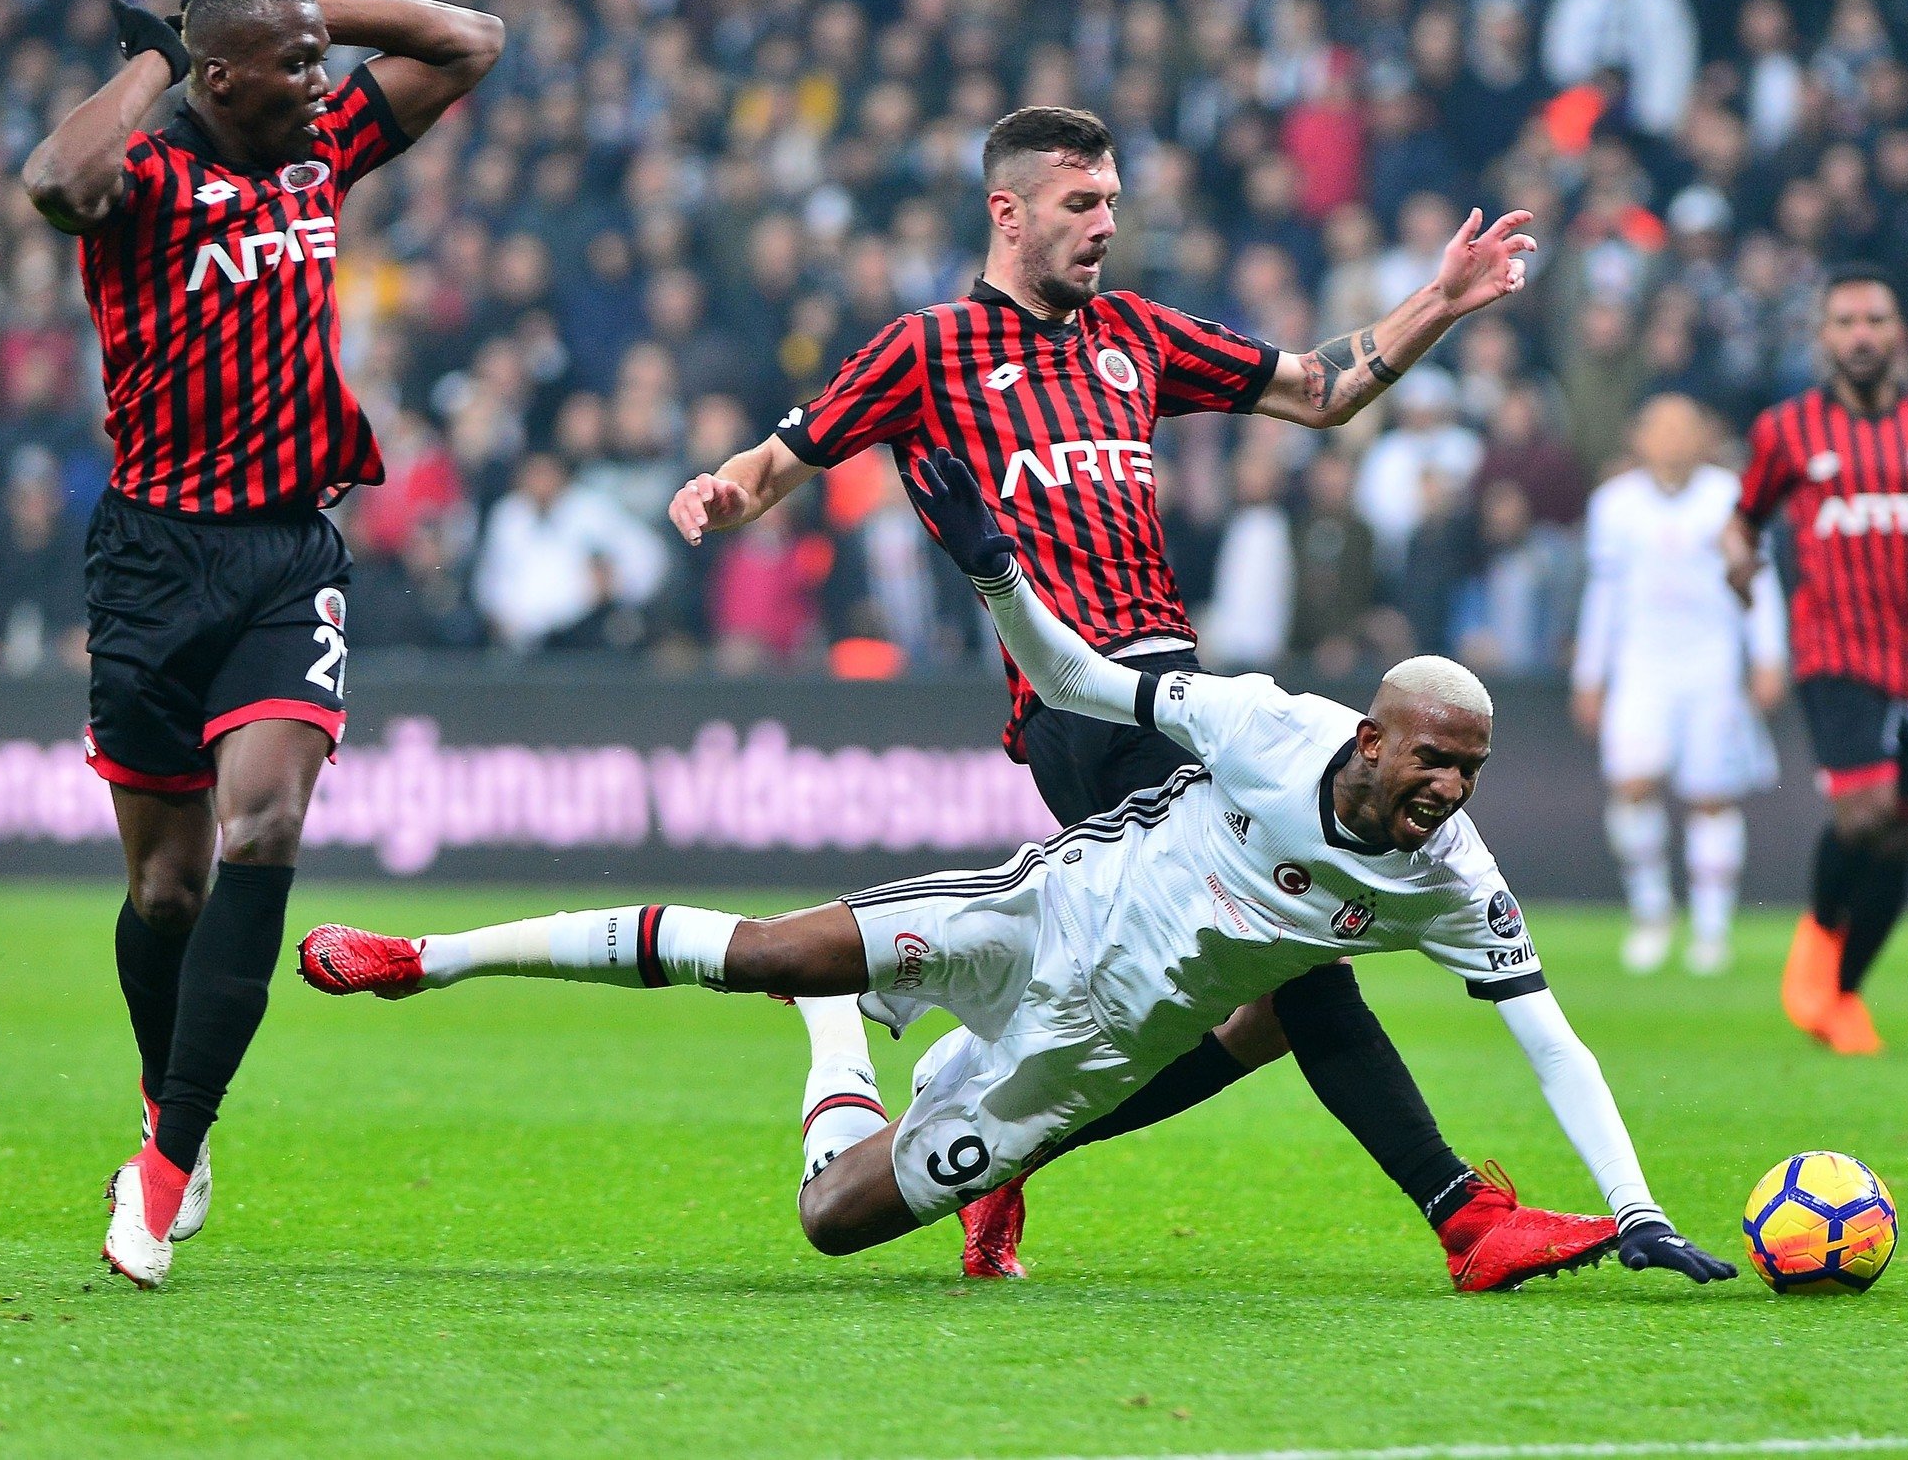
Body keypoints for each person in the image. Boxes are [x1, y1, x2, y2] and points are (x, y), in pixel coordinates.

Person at [299, 448, 1737, 1290]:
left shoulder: (1451, 878)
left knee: (831, 1222)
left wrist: (1637, 1210)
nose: (1449, 790)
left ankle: (852, 1054)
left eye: (1469, 771)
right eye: (1433, 760)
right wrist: (995, 571)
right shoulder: (1259, 725)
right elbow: (1077, 679)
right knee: (769, 951)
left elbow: (1551, 1039)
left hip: (1083, 1063)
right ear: (1373, 736)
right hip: (1035, 919)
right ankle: (435, 959)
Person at [664, 104, 1617, 1290]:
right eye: (1080, 202)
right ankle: (1464, 1216)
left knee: (1257, 1007)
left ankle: (1007, 1149)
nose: (1105, 223)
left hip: (1173, 690)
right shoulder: (927, 347)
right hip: (1083, 706)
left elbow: (1318, 390)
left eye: (1112, 201)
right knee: (1298, 946)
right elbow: (779, 462)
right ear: (1008, 212)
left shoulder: (1135, 335)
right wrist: (722, 492)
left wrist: (1441, 297)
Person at [21, 0, 502, 1287]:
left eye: (318, 59)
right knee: (166, 891)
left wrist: (301, 10)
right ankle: (161, 1097)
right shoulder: (144, 180)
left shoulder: (317, 148)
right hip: (153, 564)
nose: (319, 80)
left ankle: (167, 1160)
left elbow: (470, 41)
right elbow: (55, 182)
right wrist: (157, 57)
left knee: (268, 822)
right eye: (290, 64)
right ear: (218, 80)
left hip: (289, 555)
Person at [1725, 265, 1908, 1054]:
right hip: (1834, 646)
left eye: (1875, 319)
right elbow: (1745, 518)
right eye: (1846, 321)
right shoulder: (1788, 429)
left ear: (1898, 331)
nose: (1862, 334)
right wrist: (1737, 559)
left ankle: (1842, 993)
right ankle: (1816, 941)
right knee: (1864, 811)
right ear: (1824, 336)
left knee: (1902, 829)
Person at [1573, 395, 1788, 976]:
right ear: (1638, 438)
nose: (1671, 439)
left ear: (1703, 437)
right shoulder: (1614, 504)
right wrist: (1590, 674)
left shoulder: (1731, 498)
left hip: (1711, 666)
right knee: (1631, 784)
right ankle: (1652, 913)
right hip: (1641, 666)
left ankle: (1712, 929)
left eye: (1682, 428)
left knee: (1711, 796)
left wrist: (1769, 657)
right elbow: (1603, 593)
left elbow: (1759, 583)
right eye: (1660, 428)